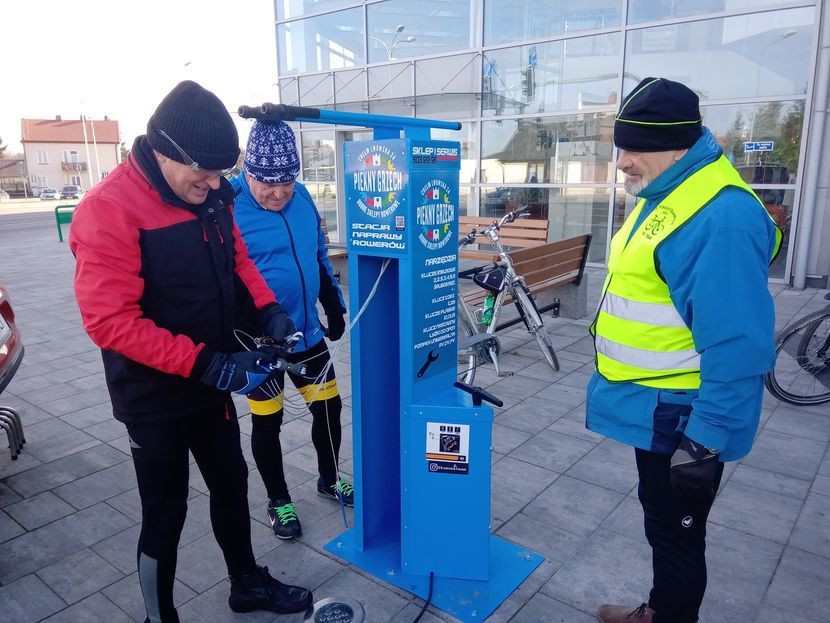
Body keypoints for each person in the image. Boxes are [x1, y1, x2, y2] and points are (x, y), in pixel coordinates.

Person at [69, 80, 313, 622]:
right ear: (163, 150)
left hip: (213, 384)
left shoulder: (212, 195)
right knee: (165, 510)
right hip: (154, 395)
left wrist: (269, 312)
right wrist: (210, 364)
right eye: (201, 172)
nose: (213, 183)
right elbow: (108, 321)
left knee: (231, 482)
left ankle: (246, 583)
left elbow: (239, 263)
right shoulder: (109, 209)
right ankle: (162, 617)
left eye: (220, 173)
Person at [587, 77, 781, 623]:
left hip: (684, 416)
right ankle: (661, 610)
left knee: (677, 539)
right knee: (663, 526)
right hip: (658, 405)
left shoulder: (718, 217)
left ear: (678, 143)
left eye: (635, 148)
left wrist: (704, 442)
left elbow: (738, 345)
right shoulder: (671, 190)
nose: (622, 161)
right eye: (619, 147)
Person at [231, 119, 351, 540]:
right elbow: (220, 278)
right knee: (268, 422)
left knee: (328, 408)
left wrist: (333, 305)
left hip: (306, 334)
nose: (279, 192)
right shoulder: (227, 205)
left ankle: (329, 477)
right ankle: (279, 500)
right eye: (268, 183)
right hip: (259, 341)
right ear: (248, 171)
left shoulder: (302, 198)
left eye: (286, 181)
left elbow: (317, 255)